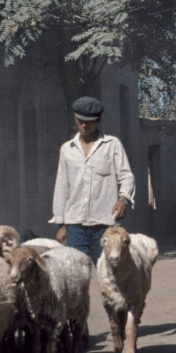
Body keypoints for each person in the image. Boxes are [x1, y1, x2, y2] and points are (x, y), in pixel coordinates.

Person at [50, 96, 135, 263]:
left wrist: (123, 199)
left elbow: (126, 175)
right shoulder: (67, 149)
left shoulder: (112, 145)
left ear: (98, 120)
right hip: (75, 225)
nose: (83, 125)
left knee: (109, 274)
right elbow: (61, 187)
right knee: (76, 274)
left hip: (104, 224)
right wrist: (61, 224)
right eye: (80, 120)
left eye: (89, 121)